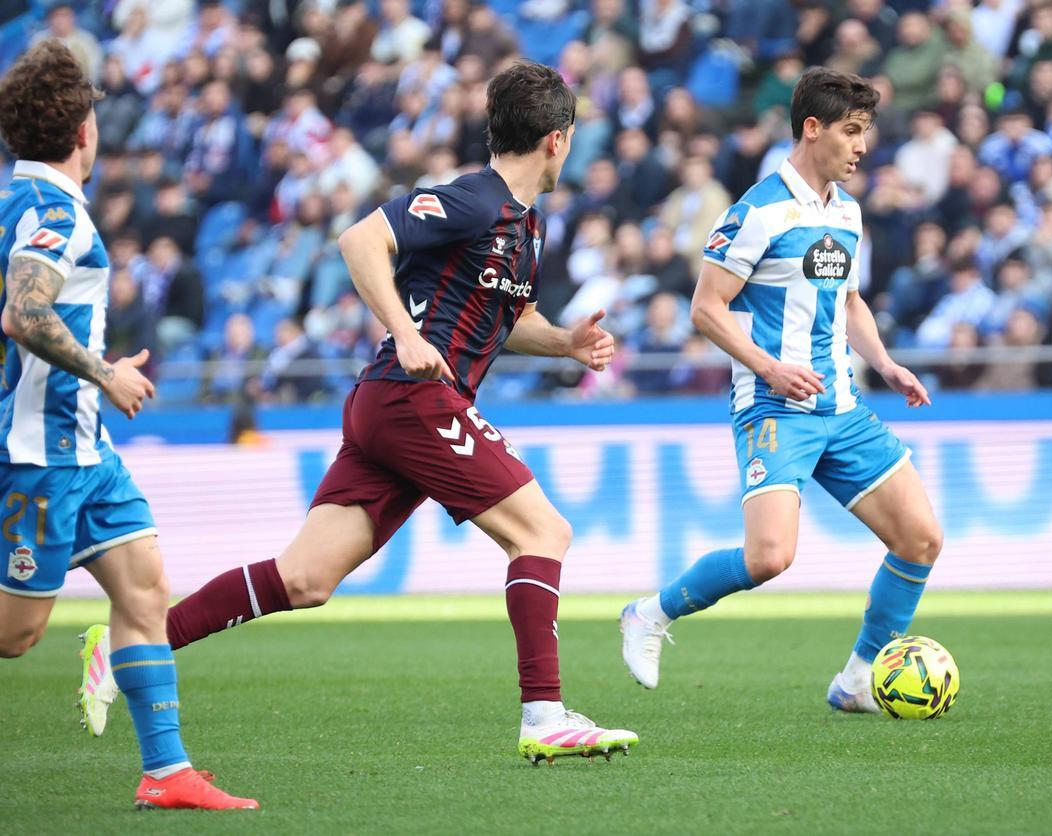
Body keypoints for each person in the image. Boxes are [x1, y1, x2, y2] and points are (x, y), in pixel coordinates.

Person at [83, 61, 637, 765]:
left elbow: (508, 317)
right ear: (557, 141)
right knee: (543, 531)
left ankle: (133, 636)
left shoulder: (527, 227)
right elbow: (359, 239)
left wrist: (564, 342)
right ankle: (544, 713)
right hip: (412, 398)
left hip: (396, 406)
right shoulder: (474, 200)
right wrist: (406, 334)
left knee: (305, 578)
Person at [619, 67, 943, 714]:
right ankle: (650, 613)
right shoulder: (758, 211)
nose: (861, 147)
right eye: (851, 132)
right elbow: (706, 309)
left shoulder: (846, 212)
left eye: (866, 134)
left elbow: (849, 301)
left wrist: (883, 361)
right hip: (775, 407)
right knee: (770, 558)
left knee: (920, 538)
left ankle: (855, 681)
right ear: (812, 128)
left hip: (842, 408)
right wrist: (768, 369)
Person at [0, 42, 257, 810]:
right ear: (84, 129)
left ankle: (167, 771)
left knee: (145, 588)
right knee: (16, 635)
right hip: (41, 456)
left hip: (85, 448)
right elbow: (24, 312)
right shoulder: (55, 215)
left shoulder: (17, 203)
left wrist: (93, 371)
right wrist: (105, 372)